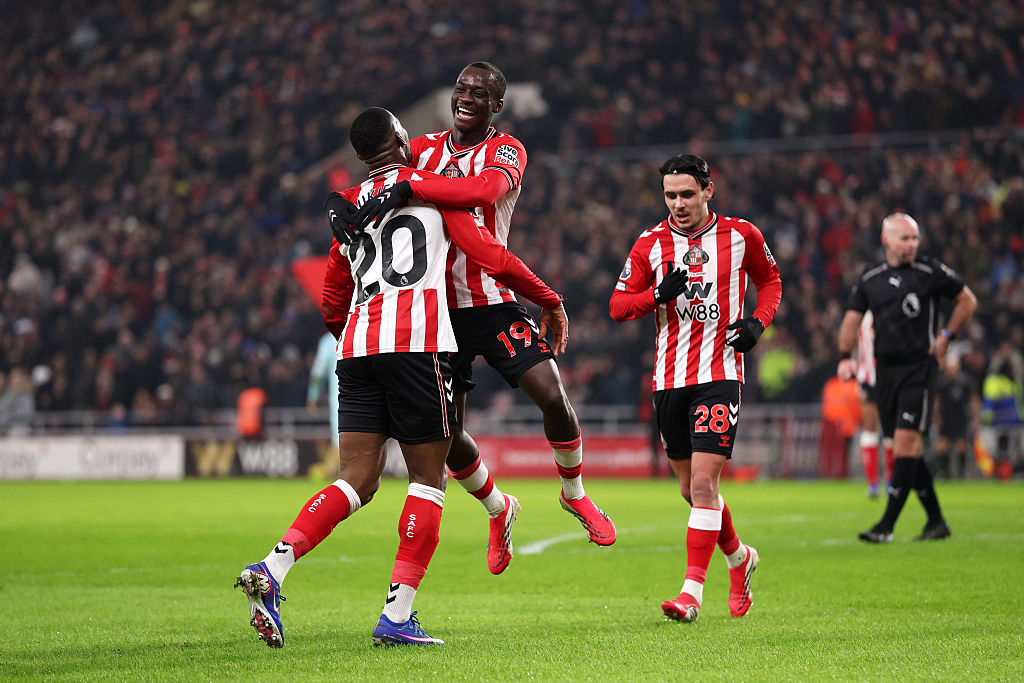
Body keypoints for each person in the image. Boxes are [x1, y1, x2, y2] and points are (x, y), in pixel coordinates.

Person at [235, 107, 565, 648]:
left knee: (356, 480)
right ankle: (396, 617)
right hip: (418, 345)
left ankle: (272, 569)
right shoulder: (429, 185)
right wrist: (548, 299)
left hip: (357, 349)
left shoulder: (349, 209)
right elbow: (484, 249)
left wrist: (355, 329)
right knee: (427, 481)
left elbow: (332, 295)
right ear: (402, 140)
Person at [353, 61, 615, 575]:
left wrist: (415, 186)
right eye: (461, 89)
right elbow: (383, 182)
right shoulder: (421, 147)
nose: (467, 97)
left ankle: (574, 492)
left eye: (480, 93)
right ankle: (498, 507)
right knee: (445, 432)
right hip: (433, 312)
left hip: (491, 298)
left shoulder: (506, 150)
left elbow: (484, 193)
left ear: (497, 105)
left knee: (551, 392)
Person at [609, 154, 782, 623]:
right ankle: (740, 558)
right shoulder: (649, 243)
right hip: (669, 379)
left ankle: (691, 593)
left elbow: (771, 282)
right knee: (690, 490)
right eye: (670, 195)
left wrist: (757, 323)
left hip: (720, 374)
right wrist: (656, 297)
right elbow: (618, 306)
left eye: (687, 194)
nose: (679, 204)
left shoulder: (742, 235)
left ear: (709, 189)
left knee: (705, 484)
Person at [837, 212, 977, 543]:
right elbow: (851, 320)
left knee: (904, 443)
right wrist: (844, 357)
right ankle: (936, 521)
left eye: (915, 238)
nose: (912, 244)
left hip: (920, 368)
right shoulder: (870, 279)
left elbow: (967, 301)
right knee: (907, 449)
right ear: (887, 240)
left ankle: (886, 525)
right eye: (905, 238)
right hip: (885, 373)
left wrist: (946, 336)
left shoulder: (930, 272)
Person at [854, 312, 894, 498]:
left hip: (890, 378)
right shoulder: (862, 312)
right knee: (869, 429)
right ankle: (873, 483)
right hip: (868, 380)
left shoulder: (892, 309)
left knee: (890, 432)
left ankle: (891, 481)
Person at [307, 331, 340, 445]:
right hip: (371, 405)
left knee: (344, 452)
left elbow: (318, 373)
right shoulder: (367, 331)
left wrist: (312, 398)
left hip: (342, 407)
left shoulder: (329, 341)